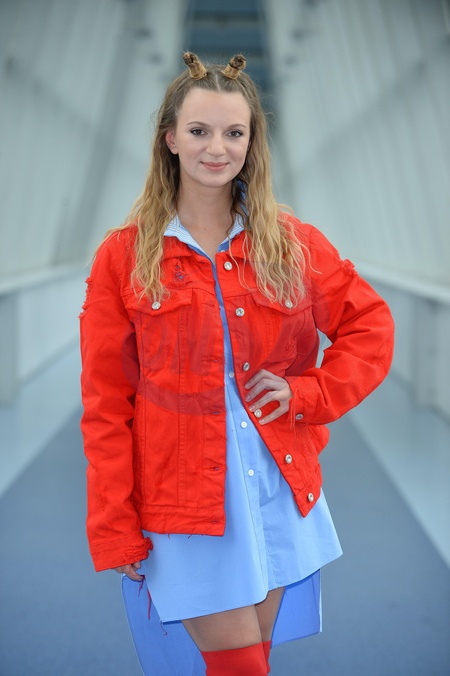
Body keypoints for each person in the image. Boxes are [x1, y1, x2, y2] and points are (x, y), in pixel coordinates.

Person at [79, 52, 394, 676]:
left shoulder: (293, 244)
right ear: (170, 139)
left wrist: (308, 393)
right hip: (182, 500)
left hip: (272, 484)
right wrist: (113, 523)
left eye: (234, 132)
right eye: (199, 131)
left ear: (252, 143)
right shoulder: (124, 257)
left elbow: (371, 327)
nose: (216, 148)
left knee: (253, 660)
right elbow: (106, 402)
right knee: (241, 665)